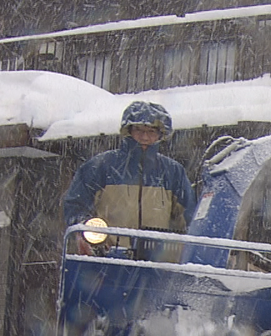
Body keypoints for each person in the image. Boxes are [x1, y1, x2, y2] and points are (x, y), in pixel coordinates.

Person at [63, 101, 196, 257]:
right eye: (139, 130)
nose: (145, 136)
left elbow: (189, 214)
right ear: (128, 131)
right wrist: (87, 228)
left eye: (152, 131)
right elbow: (76, 204)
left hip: (159, 261)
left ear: (161, 134)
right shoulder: (101, 166)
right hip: (108, 257)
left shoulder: (173, 171)